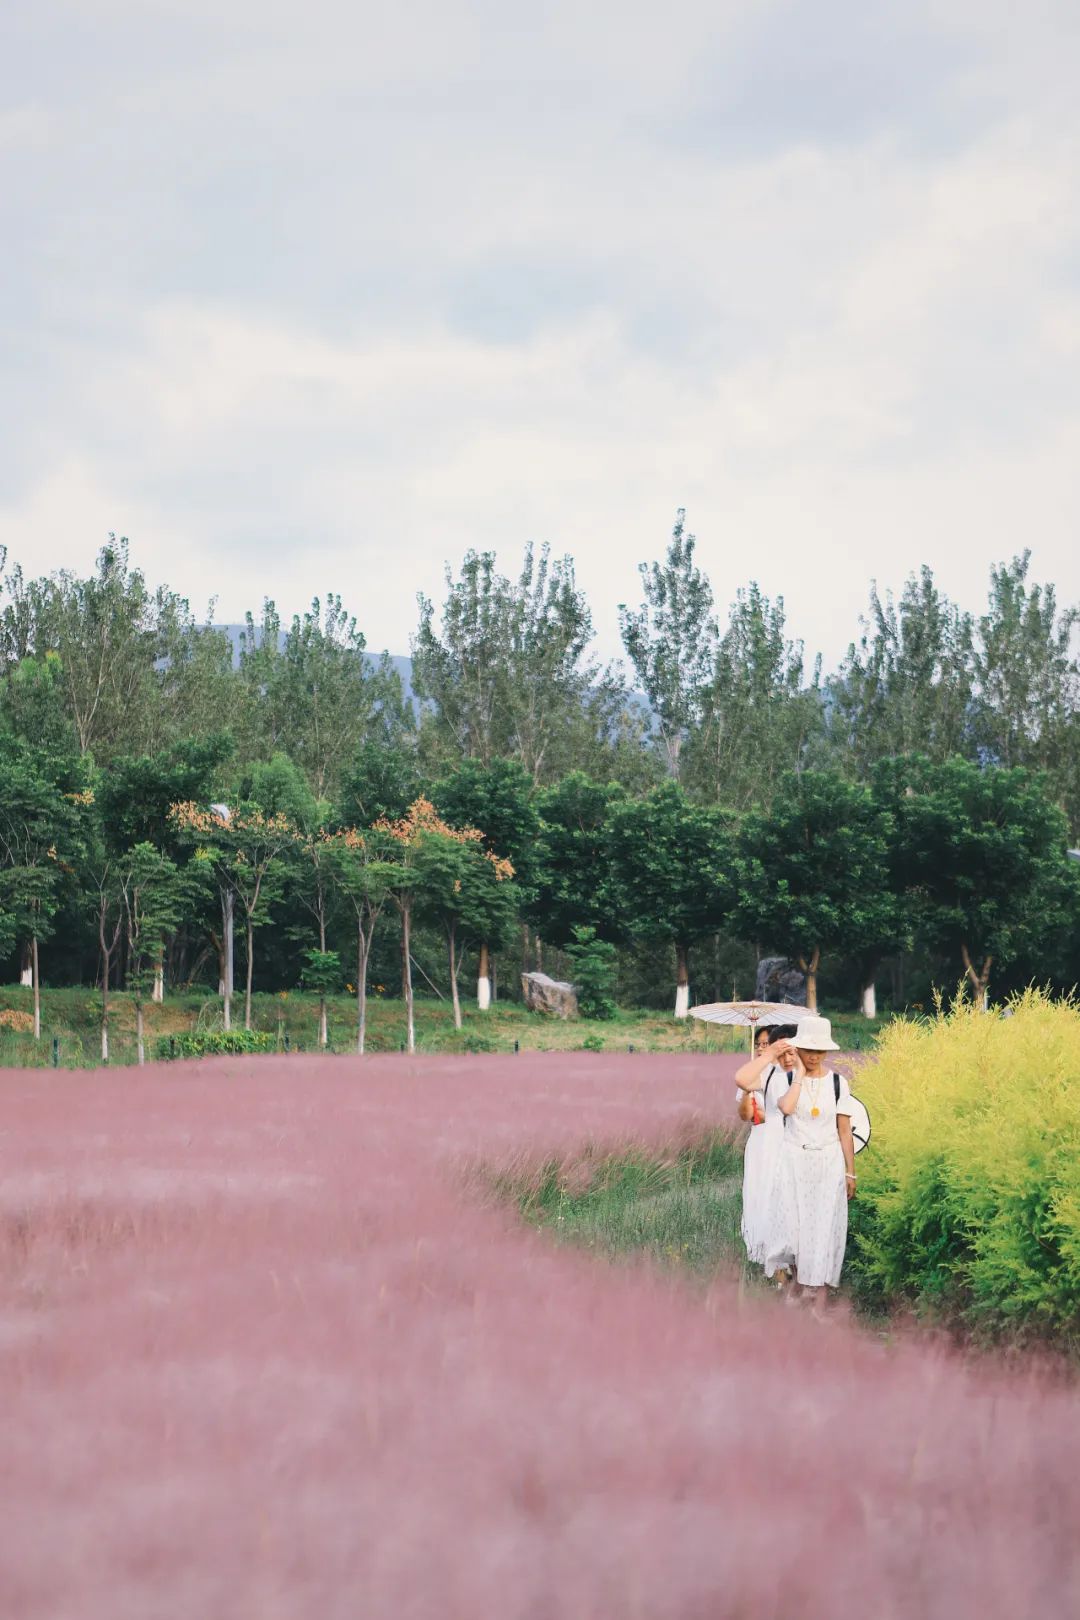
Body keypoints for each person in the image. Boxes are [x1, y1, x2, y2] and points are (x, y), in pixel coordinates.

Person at [763, 1015, 856, 1308]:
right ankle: (800, 1286)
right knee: (796, 1227)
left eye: (820, 1051)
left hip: (828, 1162)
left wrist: (851, 1173)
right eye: (808, 1050)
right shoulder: (787, 1080)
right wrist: (800, 1076)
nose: (814, 1056)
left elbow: (844, 1130)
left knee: (824, 1227)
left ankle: (818, 1297)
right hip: (793, 1161)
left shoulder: (840, 1083)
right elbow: (787, 1108)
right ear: (798, 1049)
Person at [733, 1024, 800, 1268]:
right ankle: (776, 1266)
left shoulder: (805, 1074)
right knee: (768, 1198)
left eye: (789, 1048)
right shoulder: (769, 1074)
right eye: (778, 1048)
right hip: (769, 1142)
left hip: (795, 1142)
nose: (785, 1055)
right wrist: (768, 1056)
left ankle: (797, 1264)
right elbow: (742, 1081)